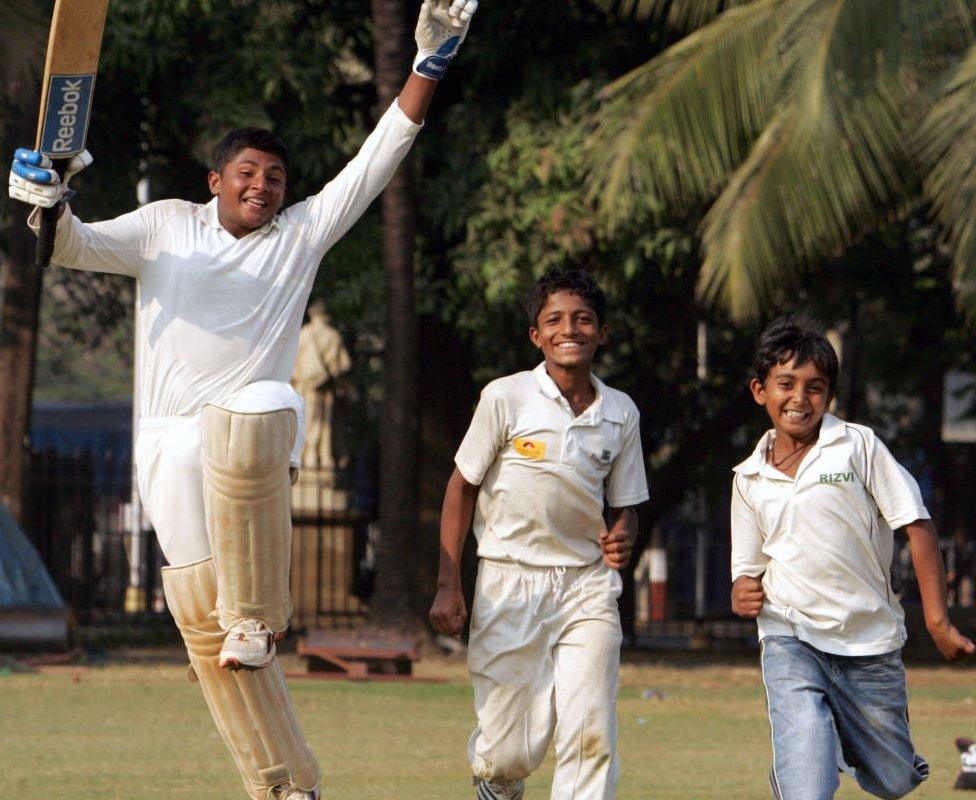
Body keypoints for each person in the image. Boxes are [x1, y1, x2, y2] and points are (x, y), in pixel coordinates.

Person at [8, 2, 478, 798]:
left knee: (262, 402)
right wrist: (44, 201)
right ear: (216, 181)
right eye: (248, 174)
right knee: (203, 624)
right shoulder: (166, 225)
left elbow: (376, 159)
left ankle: (260, 613)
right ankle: (283, 782)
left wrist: (428, 65)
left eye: (276, 178)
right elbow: (69, 249)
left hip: (253, 428)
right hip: (165, 440)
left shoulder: (300, 235)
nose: (263, 186)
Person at [730, 317, 974, 800]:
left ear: (829, 396)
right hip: (790, 636)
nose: (800, 398)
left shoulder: (857, 446)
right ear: (761, 391)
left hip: (869, 643)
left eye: (815, 387)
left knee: (893, 778)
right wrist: (742, 591)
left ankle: (822, 743)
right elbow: (747, 567)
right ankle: (802, 760)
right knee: (807, 783)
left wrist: (938, 623)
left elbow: (916, 524)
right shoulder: (747, 477)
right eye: (786, 384)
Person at [429, 268, 649, 800]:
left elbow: (627, 506)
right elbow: (461, 487)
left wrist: (623, 534)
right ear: (536, 335)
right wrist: (448, 583)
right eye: (554, 320)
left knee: (590, 730)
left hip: (587, 586)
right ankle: (499, 783)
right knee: (509, 752)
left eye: (582, 319)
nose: (568, 329)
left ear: (601, 332)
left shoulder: (620, 412)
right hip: (508, 581)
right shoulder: (506, 397)